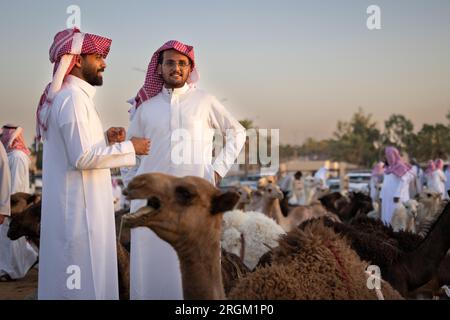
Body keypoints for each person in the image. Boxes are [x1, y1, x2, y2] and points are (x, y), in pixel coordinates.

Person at [123, 40, 246, 299]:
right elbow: (129, 151)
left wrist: (216, 171)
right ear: (159, 69)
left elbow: (238, 133)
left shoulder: (204, 101)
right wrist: (132, 184)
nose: (176, 68)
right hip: (152, 205)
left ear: (191, 69)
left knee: (196, 267)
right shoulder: (145, 108)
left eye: (182, 63)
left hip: (194, 205)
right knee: (150, 272)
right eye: (170, 63)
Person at [36, 28, 150, 299]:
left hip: (79, 210)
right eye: (98, 57)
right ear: (76, 60)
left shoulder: (73, 98)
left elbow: (76, 149)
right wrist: (129, 148)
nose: (104, 63)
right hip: (78, 216)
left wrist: (105, 140)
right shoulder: (73, 99)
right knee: (83, 285)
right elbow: (81, 158)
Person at [0, 125, 38, 282]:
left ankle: (12, 271)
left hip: (13, 203)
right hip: (8, 202)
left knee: (11, 237)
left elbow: (14, 184)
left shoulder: (16, 156)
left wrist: (7, 206)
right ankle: (29, 258)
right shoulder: (13, 155)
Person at [379, 147, 415, 225]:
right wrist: (381, 195)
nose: (388, 157)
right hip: (387, 198)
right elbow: (385, 183)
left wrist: (397, 194)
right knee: (386, 217)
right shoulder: (388, 168)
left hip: (396, 198)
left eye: (389, 155)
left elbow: (404, 181)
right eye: (387, 155)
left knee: (397, 218)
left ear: (394, 155)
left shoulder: (401, 167)